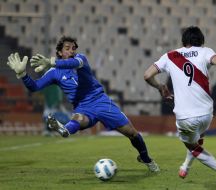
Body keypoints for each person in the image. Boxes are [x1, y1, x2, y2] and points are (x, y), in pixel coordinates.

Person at [6, 36, 159, 172]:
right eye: (67, 48)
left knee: (132, 133)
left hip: (101, 101)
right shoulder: (54, 73)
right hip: (83, 107)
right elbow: (34, 87)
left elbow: (72, 62)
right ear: (59, 52)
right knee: (78, 119)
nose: (72, 51)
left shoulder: (81, 59)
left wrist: (51, 61)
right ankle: (64, 129)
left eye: (73, 48)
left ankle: (146, 158)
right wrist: (23, 74)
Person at [144, 26, 216, 183]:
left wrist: (160, 87)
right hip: (206, 114)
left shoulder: (170, 56)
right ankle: (185, 167)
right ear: (201, 40)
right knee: (197, 139)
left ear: (184, 41)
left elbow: (147, 75)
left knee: (193, 147)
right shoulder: (205, 51)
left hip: (186, 117)